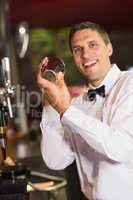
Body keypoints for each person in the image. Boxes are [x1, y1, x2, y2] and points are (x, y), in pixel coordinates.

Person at [37, 21, 133, 200]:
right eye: (77, 49)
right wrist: (51, 103)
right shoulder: (75, 106)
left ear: (109, 48)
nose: (86, 54)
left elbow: (120, 148)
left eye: (92, 45)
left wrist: (65, 109)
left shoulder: (129, 84)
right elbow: (56, 161)